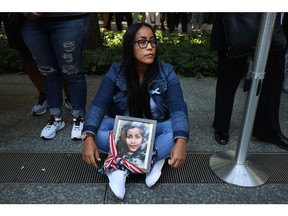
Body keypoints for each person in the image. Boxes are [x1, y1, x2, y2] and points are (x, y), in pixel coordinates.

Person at [81, 22, 189, 199]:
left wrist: (182, 141)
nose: (150, 47)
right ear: (129, 46)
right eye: (142, 42)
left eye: (153, 42)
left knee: (174, 133)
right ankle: (151, 159)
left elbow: (178, 107)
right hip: (126, 132)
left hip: (156, 129)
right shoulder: (116, 70)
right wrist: (88, 136)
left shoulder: (167, 72)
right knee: (97, 128)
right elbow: (99, 104)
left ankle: (119, 164)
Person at [211, 13, 288, 150]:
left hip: (273, 22)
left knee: (273, 77)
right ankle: (221, 126)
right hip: (235, 18)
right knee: (229, 75)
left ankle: (267, 130)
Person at [20, 12, 89, 140]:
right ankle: (55, 118)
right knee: (47, 72)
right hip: (31, 22)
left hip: (70, 17)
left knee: (72, 71)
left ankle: (79, 118)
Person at [1, 13, 72, 116]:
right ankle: (45, 94)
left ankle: (70, 96)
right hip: (16, 13)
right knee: (24, 51)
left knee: (59, 51)